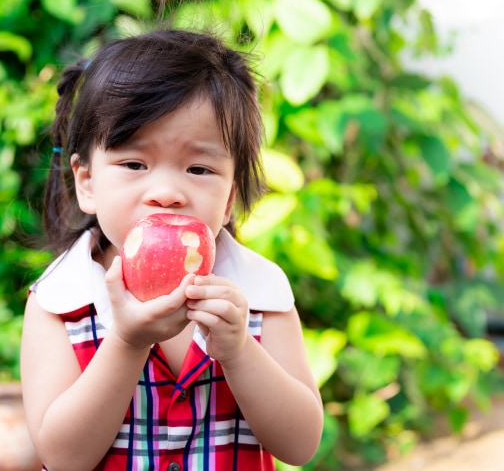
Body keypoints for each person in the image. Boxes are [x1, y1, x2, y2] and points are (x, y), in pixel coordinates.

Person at [20, 28, 323, 470]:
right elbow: (64, 457)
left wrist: (239, 351)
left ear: (230, 198)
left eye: (198, 168)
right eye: (134, 164)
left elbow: (300, 445)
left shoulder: (259, 295)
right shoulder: (61, 302)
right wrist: (126, 343)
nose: (166, 192)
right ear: (86, 182)